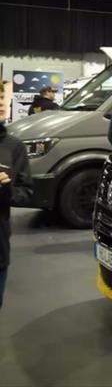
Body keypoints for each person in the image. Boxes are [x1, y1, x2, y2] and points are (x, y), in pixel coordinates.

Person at [1, 80, 34, 309]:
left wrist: (5, 189)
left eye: (2, 98)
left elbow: (25, 192)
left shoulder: (14, 147)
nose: (2, 104)